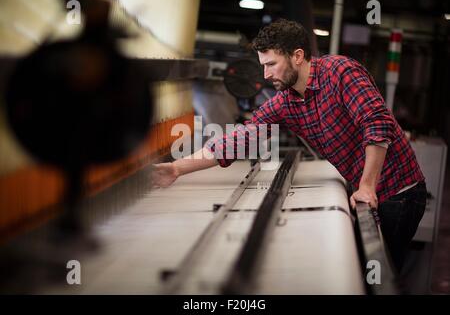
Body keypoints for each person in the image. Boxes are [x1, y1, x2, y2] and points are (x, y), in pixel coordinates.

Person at [152, 19, 426, 273]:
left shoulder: (340, 72)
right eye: (262, 65)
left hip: (398, 192)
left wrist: (367, 185)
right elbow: (240, 138)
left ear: (297, 56)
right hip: (368, 190)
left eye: (271, 64)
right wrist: (176, 168)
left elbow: (376, 123)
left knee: (379, 276)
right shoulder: (286, 103)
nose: (265, 74)